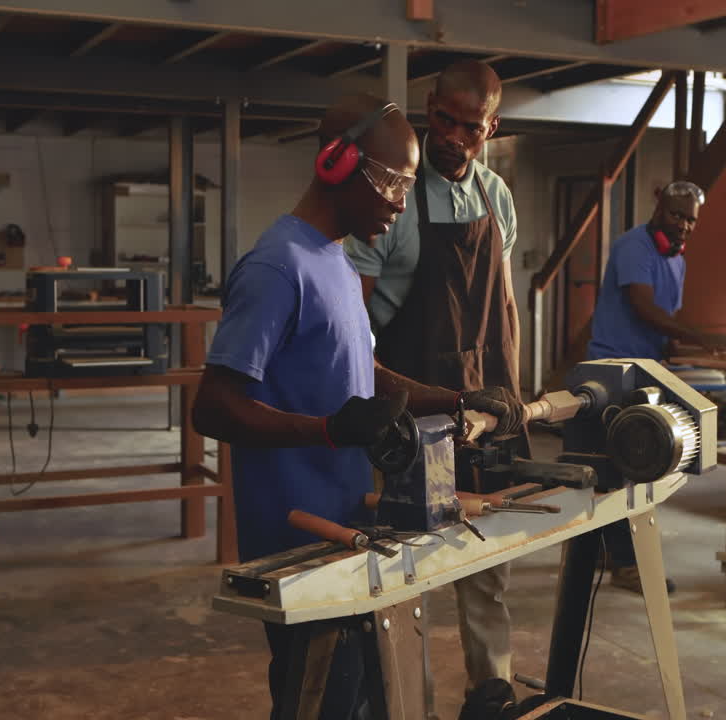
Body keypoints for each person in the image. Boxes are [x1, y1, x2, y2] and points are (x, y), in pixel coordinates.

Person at [192, 92, 526, 720]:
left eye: (407, 184)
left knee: (362, 695)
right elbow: (212, 407)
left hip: (351, 528)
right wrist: (325, 430)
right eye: (391, 182)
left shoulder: (337, 263)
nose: (401, 202)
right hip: (296, 541)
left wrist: (458, 397)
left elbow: (364, 372)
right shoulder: (276, 267)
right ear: (335, 165)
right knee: (319, 697)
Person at [344, 59, 525, 698]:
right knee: (404, 574)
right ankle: (404, 703)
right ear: (428, 107)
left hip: (484, 410)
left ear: (492, 127)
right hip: (408, 414)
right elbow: (353, 323)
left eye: (470, 129)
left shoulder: (496, 196)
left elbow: (501, 309)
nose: (453, 138)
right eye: (443, 121)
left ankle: (492, 696)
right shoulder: (394, 199)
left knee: (487, 564)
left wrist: (511, 399)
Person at [585, 179, 726, 594]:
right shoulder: (634, 247)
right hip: (614, 367)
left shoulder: (677, 258)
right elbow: (643, 306)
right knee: (623, 466)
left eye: (691, 220)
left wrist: (692, 347)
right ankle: (626, 563)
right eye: (677, 215)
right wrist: (699, 335)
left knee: (635, 465)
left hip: (646, 369)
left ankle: (606, 550)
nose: (684, 225)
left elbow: (662, 321)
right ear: (659, 208)